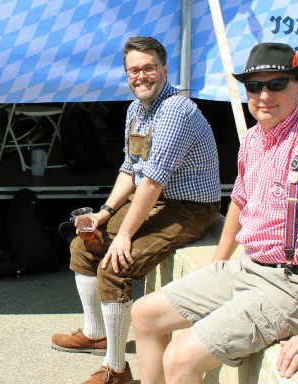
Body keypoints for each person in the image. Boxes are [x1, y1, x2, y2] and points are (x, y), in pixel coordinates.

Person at [130, 42, 298, 383]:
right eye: (254, 86)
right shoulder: (255, 137)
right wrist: (219, 259)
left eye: (276, 84)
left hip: (297, 285)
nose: (264, 94)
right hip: (249, 268)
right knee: (144, 313)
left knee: (181, 357)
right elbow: (241, 199)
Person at [51, 36, 222, 384]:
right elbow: (131, 168)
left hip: (189, 207)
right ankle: (95, 332)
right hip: (155, 199)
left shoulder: (176, 109)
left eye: (148, 68)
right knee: (83, 245)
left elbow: (153, 180)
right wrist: (105, 212)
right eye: (133, 70)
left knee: (116, 264)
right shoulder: (136, 109)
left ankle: (116, 369)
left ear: (163, 69)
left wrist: (124, 234)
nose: (141, 76)